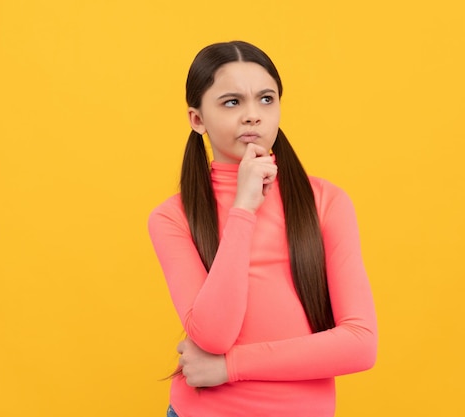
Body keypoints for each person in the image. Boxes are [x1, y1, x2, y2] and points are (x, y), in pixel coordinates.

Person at [148, 40, 377, 417]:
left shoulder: (326, 202)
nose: (253, 115)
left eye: (266, 99)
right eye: (232, 102)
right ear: (197, 119)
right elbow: (213, 334)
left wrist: (229, 367)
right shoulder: (172, 217)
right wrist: (244, 209)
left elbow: (360, 344)